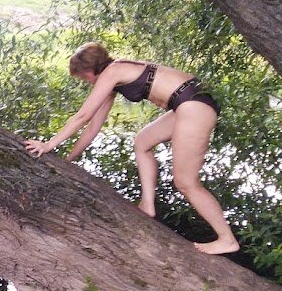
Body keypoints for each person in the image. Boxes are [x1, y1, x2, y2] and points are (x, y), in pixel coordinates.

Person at [23, 41, 239, 255]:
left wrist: (48, 144)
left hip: (194, 105)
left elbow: (82, 116)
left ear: (90, 70)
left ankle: (227, 239)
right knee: (143, 142)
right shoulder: (113, 77)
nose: (85, 82)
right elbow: (92, 128)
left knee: (186, 182)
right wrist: (69, 159)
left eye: (82, 77)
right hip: (188, 102)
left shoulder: (113, 71)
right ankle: (148, 205)